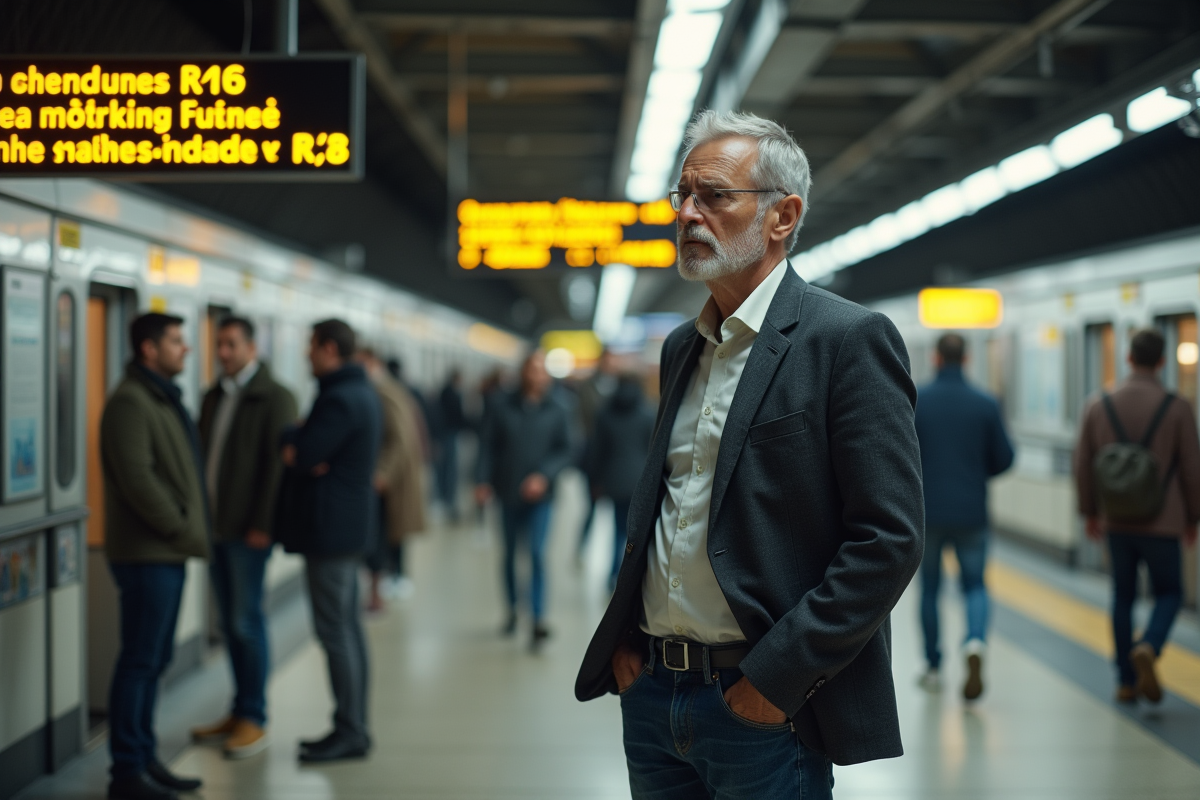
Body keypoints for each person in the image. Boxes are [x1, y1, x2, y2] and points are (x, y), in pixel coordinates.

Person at [575, 110, 924, 799]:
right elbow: (668, 507)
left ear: (782, 216)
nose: (689, 214)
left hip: (759, 706)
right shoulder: (683, 347)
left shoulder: (845, 340)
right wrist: (626, 641)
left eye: (715, 196)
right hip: (652, 692)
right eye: (683, 196)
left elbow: (889, 539)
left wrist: (777, 679)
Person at [101, 313, 208, 800]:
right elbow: (138, 478)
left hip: (165, 552)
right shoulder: (130, 403)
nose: (185, 349)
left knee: (155, 657)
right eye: (175, 342)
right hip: (147, 553)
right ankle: (127, 771)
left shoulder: (159, 397)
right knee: (140, 661)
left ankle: (144, 757)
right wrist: (181, 526)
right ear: (149, 349)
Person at [1073, 327, 1200, 704]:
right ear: (1162, 361)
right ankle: (1150, 644)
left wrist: (1090, 512)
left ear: (1128, 358)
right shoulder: (1177, 407)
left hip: (1116, 520)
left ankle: (1126, 681)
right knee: (1170, 592)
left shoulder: (1098, 403)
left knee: (1122, 596)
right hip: (1163, 520)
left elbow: (1083, 464)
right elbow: (1193, 468)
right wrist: (1193, 517)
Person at [191, 317, 298, 757]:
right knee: (230, 623)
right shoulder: (214, 395)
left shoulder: (276, 397)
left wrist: (264, 524)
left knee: (246, 620)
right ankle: (238, 709)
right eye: (219, 344)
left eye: (232, 344)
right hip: (214, 526)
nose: (223, 352)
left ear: (252, 348)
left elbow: (276, 469)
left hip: (248, 531)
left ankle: (255, 716)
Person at [277, 319, 381, 762]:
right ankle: (351, 725)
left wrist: (293, 438)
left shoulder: (338, 399)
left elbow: (301, 454)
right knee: (348, 629)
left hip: (330, 529)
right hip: (347, 526)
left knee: (335, 631)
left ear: (329, 349)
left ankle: (350, 730)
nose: (306, 354)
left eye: (311, 346)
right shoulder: (360, 393)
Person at [913, 333, 1014, 700]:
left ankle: (933, 664)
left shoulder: (918, 400)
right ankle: (974, 641)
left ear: (937, 358)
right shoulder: (986, 403)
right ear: (966, 359)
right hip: (972, 511)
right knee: (975, 584)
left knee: (930, 589)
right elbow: (1005, 458)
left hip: (927, 513)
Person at [474, 350, 573, 650]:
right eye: (532, 369)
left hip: (541, 496)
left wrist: (544, 475)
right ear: (523, 373)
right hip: (507, 491)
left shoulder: (559, 408)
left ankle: (538, 618)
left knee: (537, 553)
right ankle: (513, 610)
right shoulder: (501, 405)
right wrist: (481, 480)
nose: (537, 376)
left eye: (542, 370)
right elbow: (488, 445)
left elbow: (566, 448)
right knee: (509, 554)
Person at [357, 348, 427, 610]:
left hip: (392, 482)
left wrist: (382, 474)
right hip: (393, 477)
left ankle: (385, 584)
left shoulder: (384, 392)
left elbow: (399, 439)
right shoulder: (387, 389)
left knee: (386, 534)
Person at [587, 373, 656, 591]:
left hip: (613, 481)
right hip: (639, 482)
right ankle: (631, 577)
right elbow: (653, 449)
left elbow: (596, 451)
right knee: (635, 532)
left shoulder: (605, 414)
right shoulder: (648, 414)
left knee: (617, 530)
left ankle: (613, 575)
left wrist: (594, 481)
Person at [575, 350, 620, 560]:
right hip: (593, 452)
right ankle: (581, 549)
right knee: (591, 505)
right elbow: (582, 416)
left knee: (617, 511)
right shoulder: (587, 387)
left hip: (615, 455)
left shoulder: (620, 388)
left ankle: (616, 560)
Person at [434, 369, 467, 522]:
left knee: (444, 468)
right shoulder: (453, 394)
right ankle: (448, 499)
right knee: (450, 468)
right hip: (450, 433)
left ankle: (444, 498)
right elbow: (458, 415)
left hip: (444, 433)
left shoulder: (443, 393)